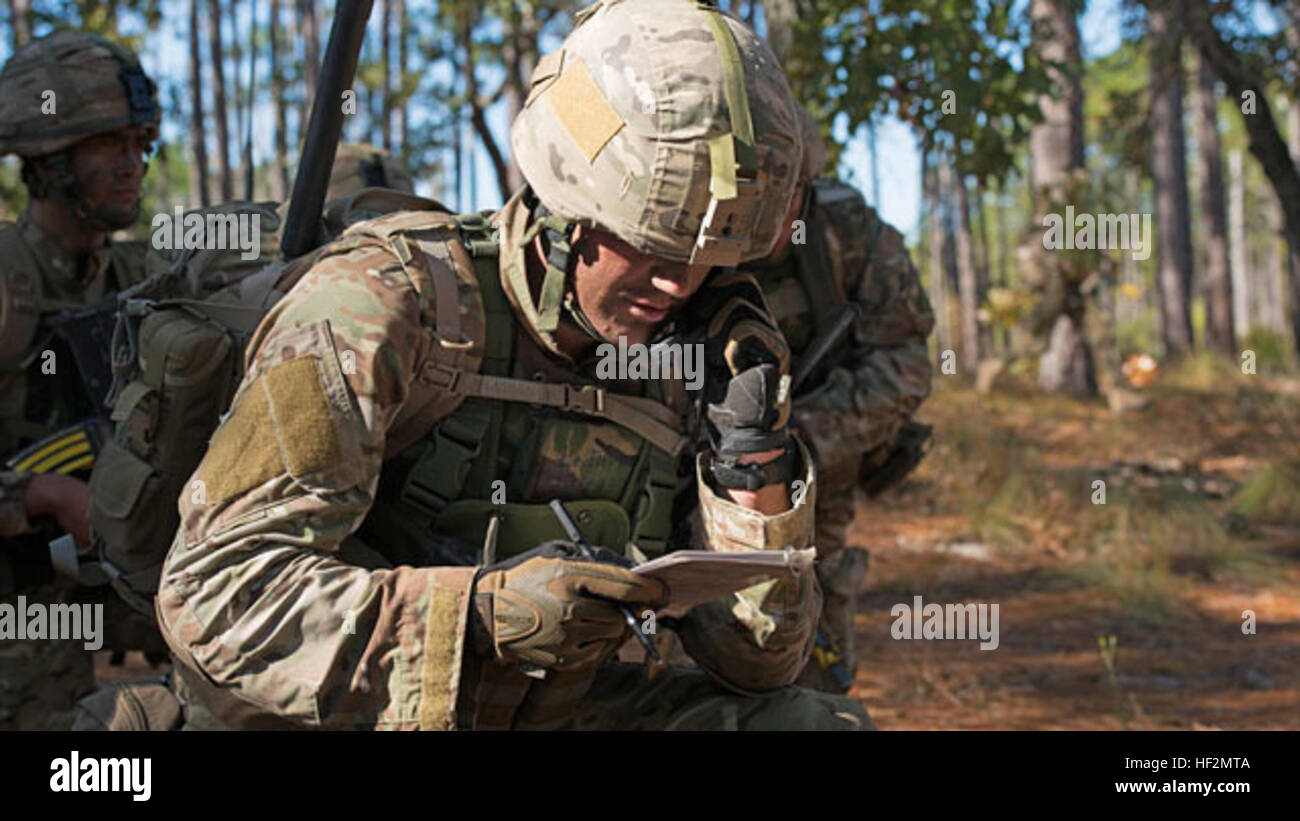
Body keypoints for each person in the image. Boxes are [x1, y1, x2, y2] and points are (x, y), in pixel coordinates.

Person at [156, 0, 868, 730]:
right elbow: (217, 591)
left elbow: (758, 663)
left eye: (707, 259)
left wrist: (750, 456)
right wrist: (479, 614)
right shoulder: (384, 306)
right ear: (568, 203)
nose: (677, 283)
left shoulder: (694, 351)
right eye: (651, 244)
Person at [0, 31, 162, 729]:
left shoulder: (140, 275)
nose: (135, 165)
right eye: (110, 146)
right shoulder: (9, 282)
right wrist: (41, 491)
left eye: (141, 142)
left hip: (104, 597)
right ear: (50, 162)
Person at [743, 110, 935, 693]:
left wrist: (803, 432)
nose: (764, 223)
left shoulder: (849, 233)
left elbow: (906, 364)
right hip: (693, 456)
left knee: (804, 613)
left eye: (781, 202)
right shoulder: (686, 240)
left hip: (819, 466)